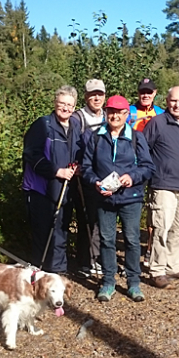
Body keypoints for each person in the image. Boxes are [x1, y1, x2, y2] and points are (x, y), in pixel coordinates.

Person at [82, 95, 155, 302]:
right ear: (106, 113)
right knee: (106, 240)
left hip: (130, 198)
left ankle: (133, 283)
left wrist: (132, 177)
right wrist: (96, 182)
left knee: (132, 240)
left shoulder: (136, 137)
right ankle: (108, 282)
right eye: (111, 111)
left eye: (119, 112)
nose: (114, 115)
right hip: (104, 199)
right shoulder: (96, 136)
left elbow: (148, 167)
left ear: (126, 115)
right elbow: (86, 167)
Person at [22, 86, 82, 273]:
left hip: (65, 189)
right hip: (43, 189)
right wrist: (57, 171)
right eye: (62, 103)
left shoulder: (75, 126)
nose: (65, 108)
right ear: (55, 103)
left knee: (61, 233)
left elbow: (78, 151)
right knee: (43, 234)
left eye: (70, 105)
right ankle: (39, 276)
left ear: (74, 107)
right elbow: (32, 155)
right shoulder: (43, 125)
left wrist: (77, 166)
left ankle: (57, 275)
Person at [143, 86, 179, 289]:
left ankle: (173, 265)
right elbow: (143, 149)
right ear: (167, 101)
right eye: (174, 101)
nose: (178, 105)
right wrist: (151, 173)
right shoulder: (157, 123)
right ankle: (157, 270)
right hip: (163, 184)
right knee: (160, 229)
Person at [73, 79, 106, 278]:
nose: (96, 98)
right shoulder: (79, 118)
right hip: (85, 176)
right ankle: (85, 261)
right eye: (92, 94)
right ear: (85, 96)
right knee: (87, 219)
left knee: (102, 220)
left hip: (105, 176)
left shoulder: (108, 116)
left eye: (100, 94)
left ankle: (98, 258)